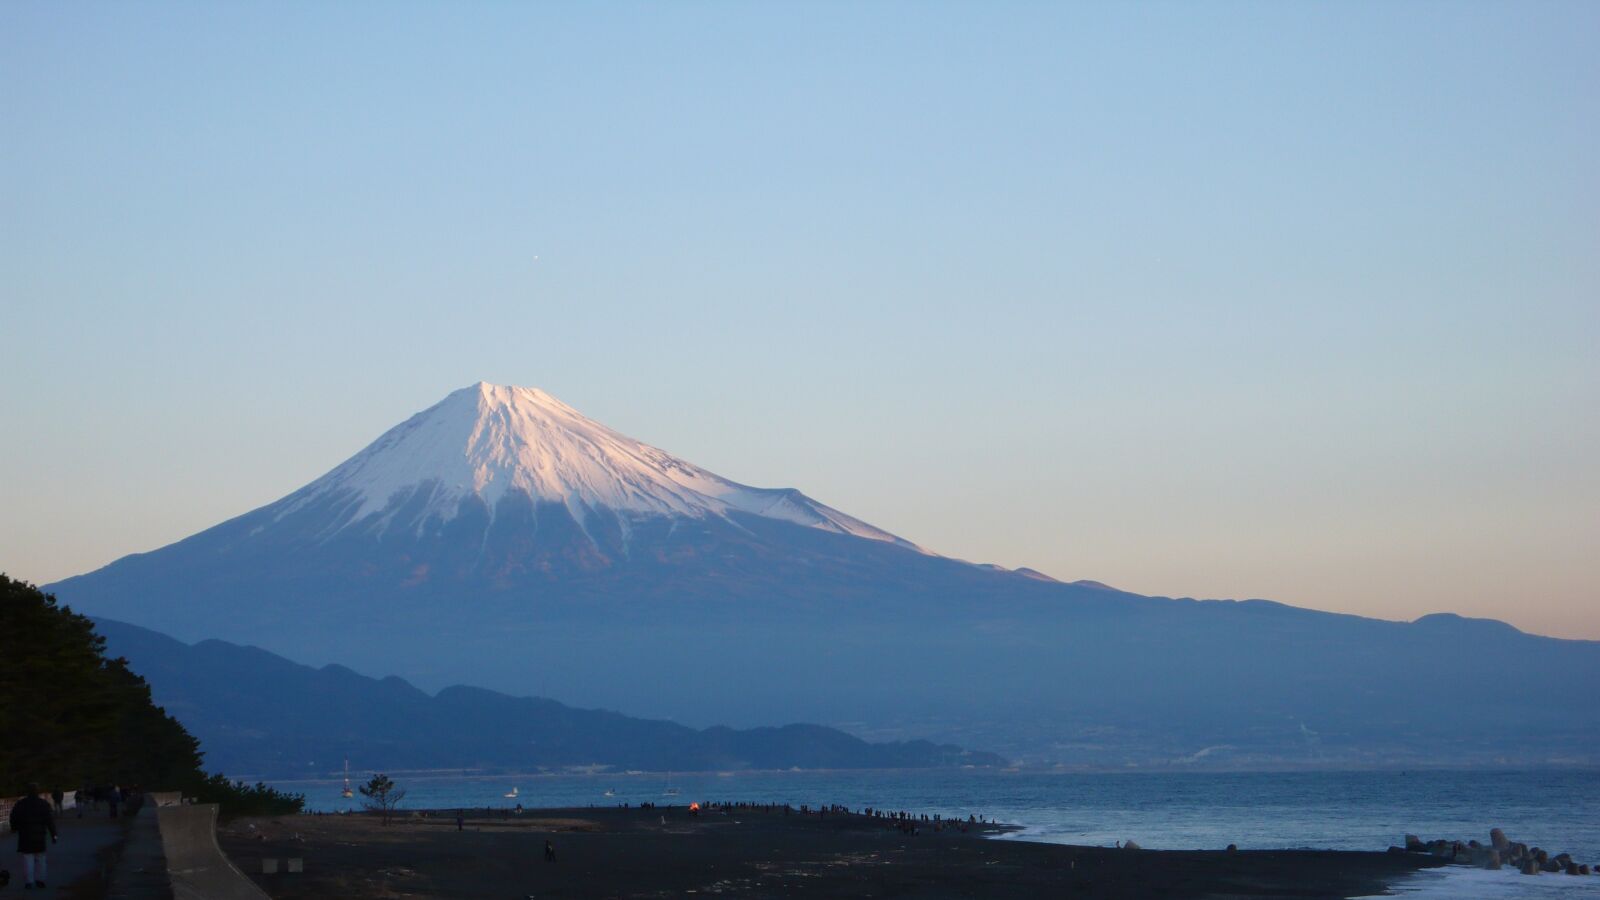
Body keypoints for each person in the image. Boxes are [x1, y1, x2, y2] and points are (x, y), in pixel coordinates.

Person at [9, 783, 59, 890]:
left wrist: (14, 828)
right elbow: (50, 821)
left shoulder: (21, 804)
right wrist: (54, 835)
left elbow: (13, 817)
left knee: (28, 859)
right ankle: (40, 880)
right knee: (41, 858)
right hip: (40, 836)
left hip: (25, 836)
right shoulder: (43, 804)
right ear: (37, 791)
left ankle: (29, 882)